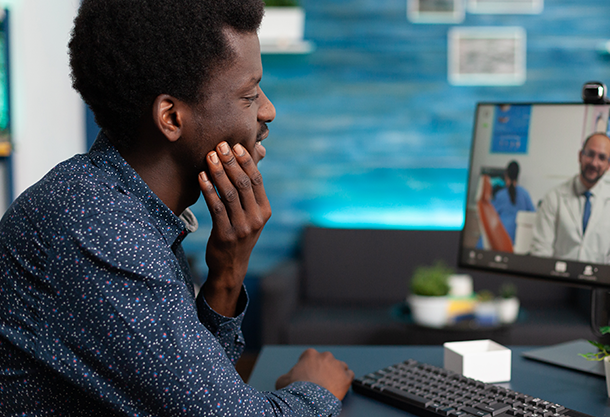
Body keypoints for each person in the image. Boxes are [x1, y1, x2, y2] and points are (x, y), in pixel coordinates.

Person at [0, 1, 353, 415]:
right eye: (249, 94)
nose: (267, 110)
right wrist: (318, 390)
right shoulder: (98, 230)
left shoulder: (126, 206)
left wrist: (227, 272)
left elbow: (189, 389)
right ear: (171, 116)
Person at [529, 133, 610, 266]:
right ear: (580, 156)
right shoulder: (554, 197)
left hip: (598, 283)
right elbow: (541, 250)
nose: (594, 163)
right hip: (557, 280)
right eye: (590, 154)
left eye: (602, 157)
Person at [491, 161, 535, 244]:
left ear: (506, 175)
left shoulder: (500, 195)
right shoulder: (525, 194)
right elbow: (533, 213)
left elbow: (491, 214)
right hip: (519, 238)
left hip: (501, 236)